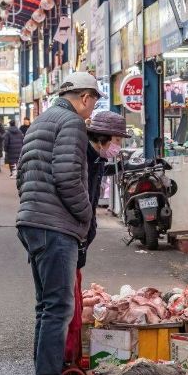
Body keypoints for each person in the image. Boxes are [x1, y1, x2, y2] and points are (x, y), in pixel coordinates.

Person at [15, 71, 101, 375]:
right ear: (83, 97)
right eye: (94, 101)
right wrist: (85, 216)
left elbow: (22, 173)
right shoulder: (71, 123)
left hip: (33, 221)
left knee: (46, 306)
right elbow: (67, 177)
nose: (93, 109)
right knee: (59, 307)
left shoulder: (41, 121)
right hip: (55, 226)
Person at [83, 112, 130, 264]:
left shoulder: (98, 158)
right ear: (102, 138)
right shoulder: (83, 158)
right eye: (117, 140)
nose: (119, 146)